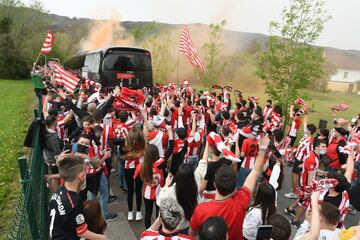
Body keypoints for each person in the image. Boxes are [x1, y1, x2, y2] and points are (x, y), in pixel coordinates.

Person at [189, 135, 270, 240]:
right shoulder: (241, 200)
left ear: (215, 184)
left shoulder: (201, 209)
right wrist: (263, 148)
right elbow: (255, 172)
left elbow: (192, 234)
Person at [49, 154, 106, 240]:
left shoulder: (60, 190)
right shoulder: (74, 202)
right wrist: (102, 237)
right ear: (81, 176)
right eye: (84, 171)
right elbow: (81, 231)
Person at [136, 126, 173, 228]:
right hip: (159, 192)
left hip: (147, 193)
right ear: (156, 154)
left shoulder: (141, 166)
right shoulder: (160, 163)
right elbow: (170, 148)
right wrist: (170, 132)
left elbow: (137, 179)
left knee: (148, 213)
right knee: (159, 214)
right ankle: (159, 231)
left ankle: (148, 231)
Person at [286, 139, 328, 228]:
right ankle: (295, 220)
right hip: (306, 184)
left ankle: (289, 209)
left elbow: (314, 170)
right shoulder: (312, 158)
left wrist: (325, 173)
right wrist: (309, 189)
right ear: (317, 147)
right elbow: (310, 176)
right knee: (304, 204)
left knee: (301, 199)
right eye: (323, 146)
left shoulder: (315, 156)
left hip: (308, 182)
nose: (325, 148)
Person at [157, 164, 198, 234]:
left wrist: (166, 185)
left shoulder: (171, 191)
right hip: (186, 227)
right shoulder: (194, 189)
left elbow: (159, 202)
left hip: (172, 228)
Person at [285, 112, 316, 199]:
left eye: (307, 129)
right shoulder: (306, 136)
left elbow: (310, 154)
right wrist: (306, 114)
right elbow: (305, 123)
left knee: (294, 174)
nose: (305, 129)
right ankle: (299, 190)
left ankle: (295, 192)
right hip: (298, 159)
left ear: (309, 131)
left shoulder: (310, 142)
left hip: (300, 161)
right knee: (299, 176)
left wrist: (304, 163)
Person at [124, 126, 146, 221]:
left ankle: (130, 212)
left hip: (128, 168)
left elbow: (123, 154)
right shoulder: (143, 143)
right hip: (140, 168)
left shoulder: (126, 143)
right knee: (138, 190)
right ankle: (138, 212)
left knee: (129, 190)